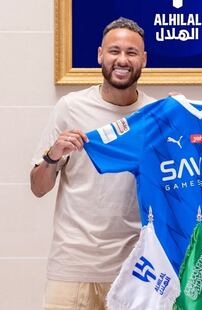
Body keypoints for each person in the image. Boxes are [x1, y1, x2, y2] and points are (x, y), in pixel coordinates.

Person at [30, 17, 156, 309]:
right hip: (72, 271)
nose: (122, 60)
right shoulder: (70, 108)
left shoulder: (155, 117)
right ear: (100, 55)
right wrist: (53, 155)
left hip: (135, 271)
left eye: (131, 52)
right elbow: (37, 188)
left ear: (144, 59)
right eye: (114, 51)